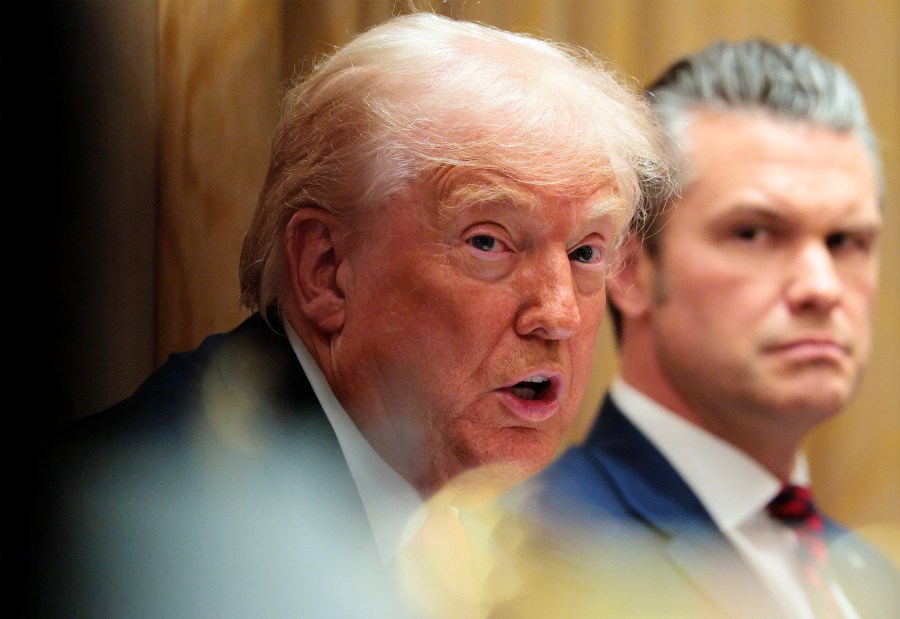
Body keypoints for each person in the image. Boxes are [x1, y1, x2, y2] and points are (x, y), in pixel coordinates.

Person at [36, 12, 672, 619]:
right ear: (326, 270)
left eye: (587, 252)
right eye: (489, 242)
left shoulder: (505, 528)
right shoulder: (166, 528)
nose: (558, 314)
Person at [490, 39, 900, 618]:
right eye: (754, 233)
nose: (821, 286)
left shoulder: (878, 580)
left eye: (847, 241)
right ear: (628, 268)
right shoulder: (536, 555)